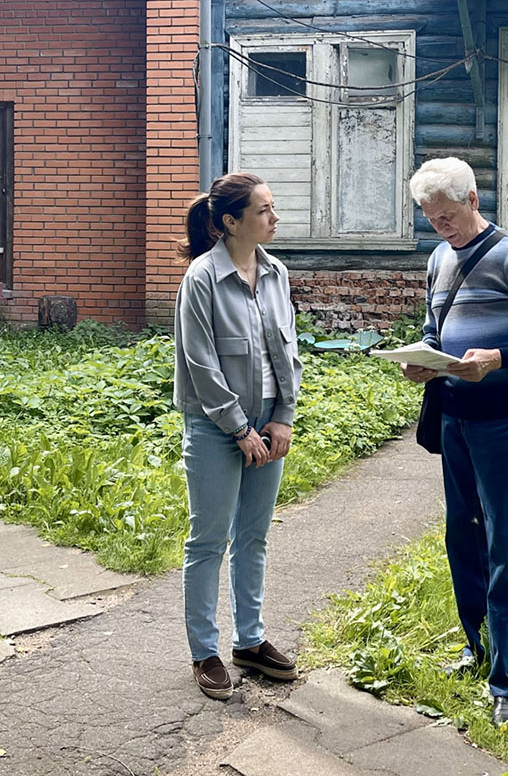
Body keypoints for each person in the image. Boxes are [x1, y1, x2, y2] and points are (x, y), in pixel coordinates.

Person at [404, 157, 508, 727]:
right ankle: (478, 649)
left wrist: (497, 358)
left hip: (504, 418)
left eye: (447, 215)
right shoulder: (437, 257)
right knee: (463, 538)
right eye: (430, 219)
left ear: (474, 199)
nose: (440, 228)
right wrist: (424, 360)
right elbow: (434, 328)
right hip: (454, 416)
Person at [174, 172, 303, 700]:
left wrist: (283, 417)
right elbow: (201, 364)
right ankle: (204, 651)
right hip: (214, 426)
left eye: (273, 208)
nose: (275, 219)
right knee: (208, 540)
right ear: (231, 222)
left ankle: (249, 641)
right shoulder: (202, 278)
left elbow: (287, 352)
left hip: (269, 424)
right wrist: (239, 428)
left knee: (254, 536)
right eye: (264, 211)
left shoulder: (276, 272)